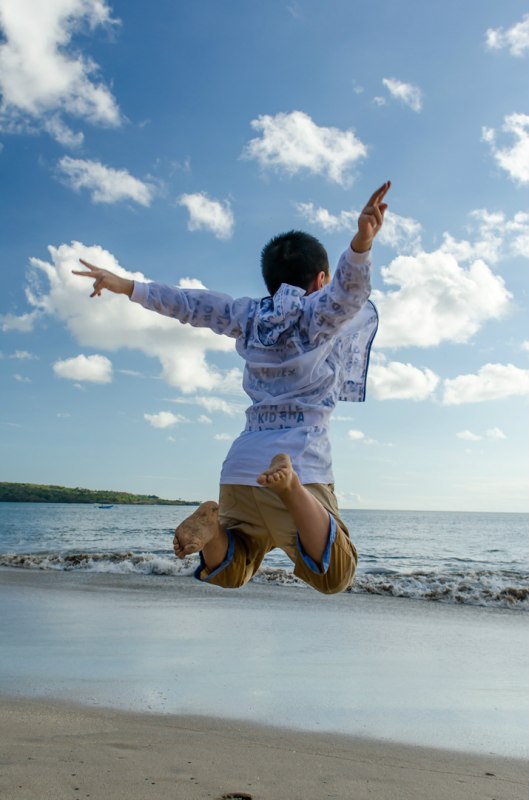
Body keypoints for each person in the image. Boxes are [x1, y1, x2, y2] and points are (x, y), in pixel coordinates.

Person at [73, 181, 390, 594]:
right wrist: (361, 245)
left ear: (269, 281)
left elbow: (191, 305)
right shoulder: (319, 313)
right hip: (301, 464)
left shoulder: (249, 315)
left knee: (234, 569)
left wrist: (128, 286)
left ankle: (212, 526)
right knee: (335, 575)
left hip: (240, 472)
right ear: (320, 279)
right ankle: (292, 489)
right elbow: (350, 294)